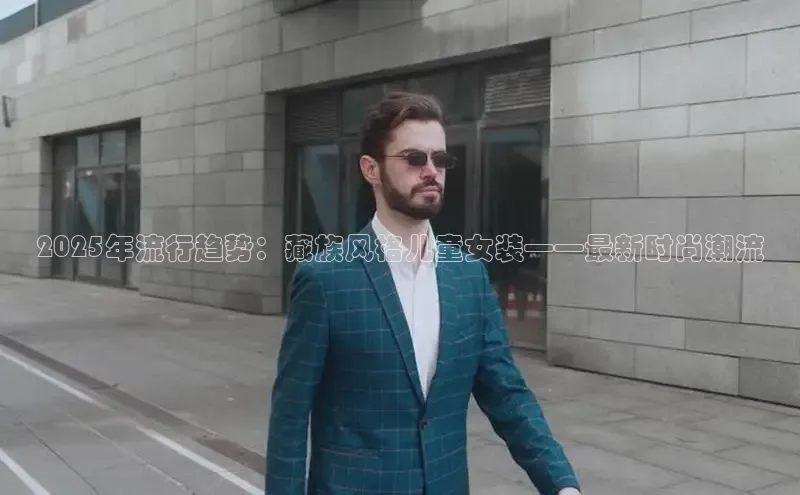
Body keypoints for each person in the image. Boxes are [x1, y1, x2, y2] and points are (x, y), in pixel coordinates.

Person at [266, 91, 581, 494]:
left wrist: (561, 483)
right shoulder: (325, 279)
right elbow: (290, 417)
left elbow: (507, 393)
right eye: (414, 158)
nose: (432, 171)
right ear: (371, 169)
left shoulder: (467, 276)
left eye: (440, 159)